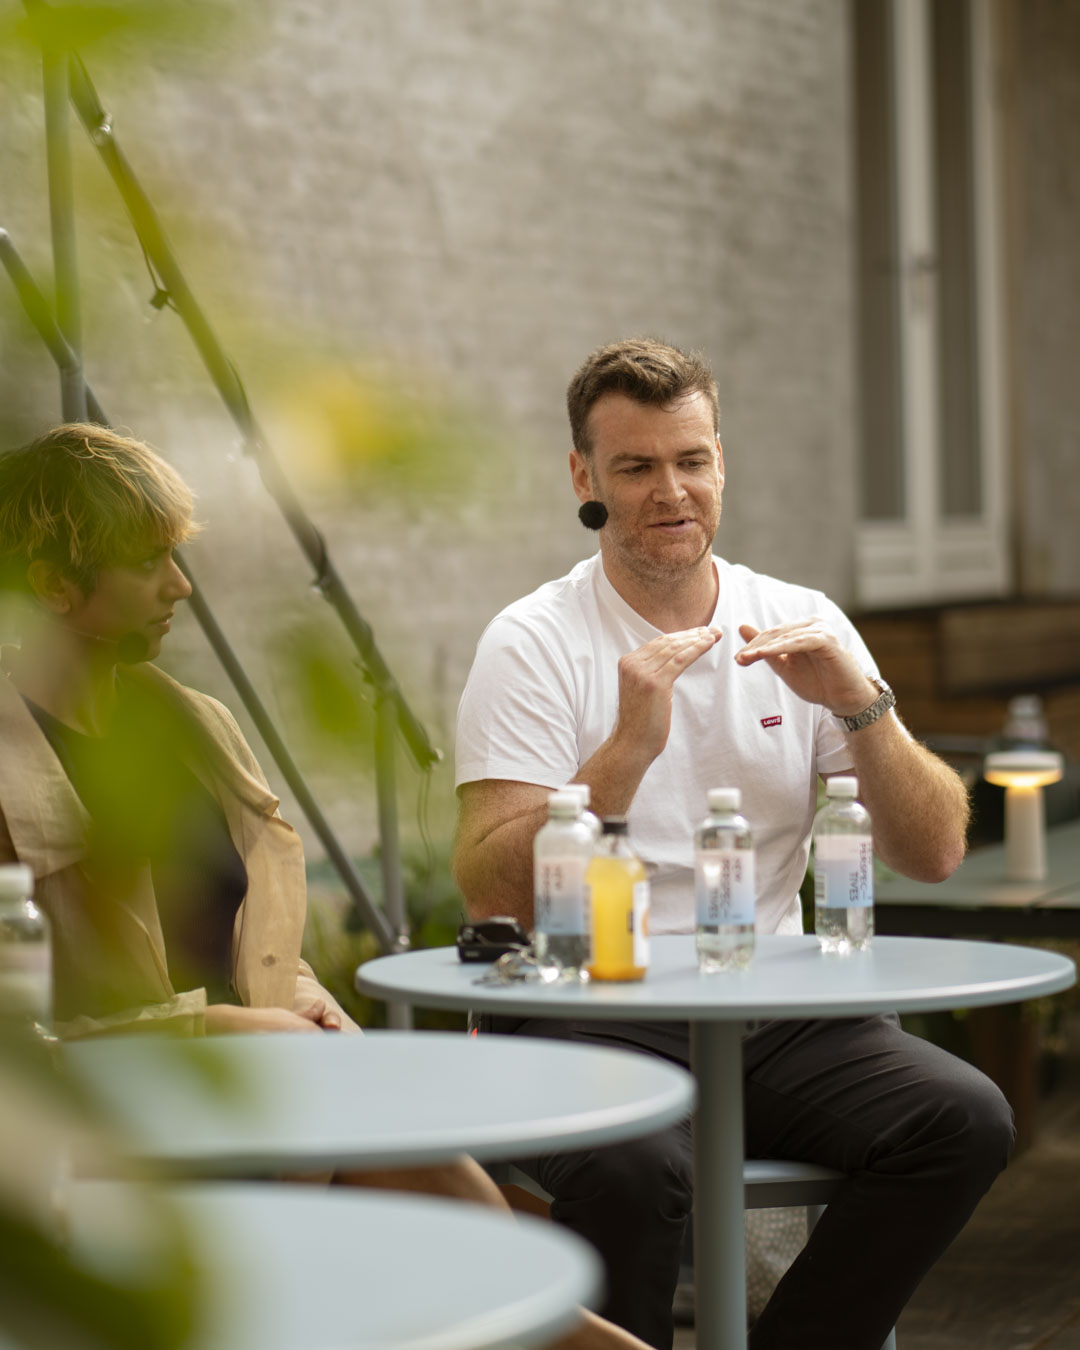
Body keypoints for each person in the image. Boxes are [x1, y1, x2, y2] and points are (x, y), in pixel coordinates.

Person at [0, 422, 652, 1350]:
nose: (182, 587)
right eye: (149, 564)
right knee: (489, 1272)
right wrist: (214, 1028)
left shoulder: (186, 725)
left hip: (262, 1089)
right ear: (53, 581)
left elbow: (251, 936)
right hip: (97, 1124)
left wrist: (303, 1008)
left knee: (467, 1242)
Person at [452, 339, 1015, 1350]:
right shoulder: (533, 640)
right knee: (635, 1173)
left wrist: (865, 709)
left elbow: (931, 853)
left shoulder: (800, 620)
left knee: (961, 1120)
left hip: (778, 1008)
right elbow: (494, 895)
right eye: (635, 467)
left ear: (722, 462)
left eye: (692, 459)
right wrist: (625, 749)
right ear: (584, 477)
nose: (672, 491)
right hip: (593, 1009)